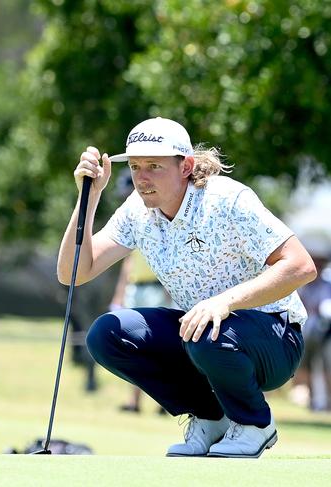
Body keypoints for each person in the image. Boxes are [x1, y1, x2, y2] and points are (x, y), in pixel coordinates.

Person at [57, 117, 316, 458]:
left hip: (275, 338)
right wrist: (89, 198)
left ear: (186, 166)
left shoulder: (227, 199)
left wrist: (223, 302)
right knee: (106, 334)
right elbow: (74, 273)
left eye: (154, 166)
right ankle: (211, 417)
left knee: (207, 329)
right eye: (135, 167)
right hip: (204, 335)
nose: (142, 178)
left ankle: (255, 424)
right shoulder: (137, 210)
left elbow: (301, 265)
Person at [110, 250, 171, 413]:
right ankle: (134, 402)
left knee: (158, 348)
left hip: (157, 289)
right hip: (134, 288)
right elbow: (128, 262)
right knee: (134, 348)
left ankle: (164, 402)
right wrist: (119, 295)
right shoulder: (136, 228)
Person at [291, 242, 331, 410]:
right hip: (306, 331)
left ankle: (328, 403)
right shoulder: (301, 286)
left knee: (327, 366)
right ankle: (311, 401)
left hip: (326, 332)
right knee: (304, 366)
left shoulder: (327, 285)